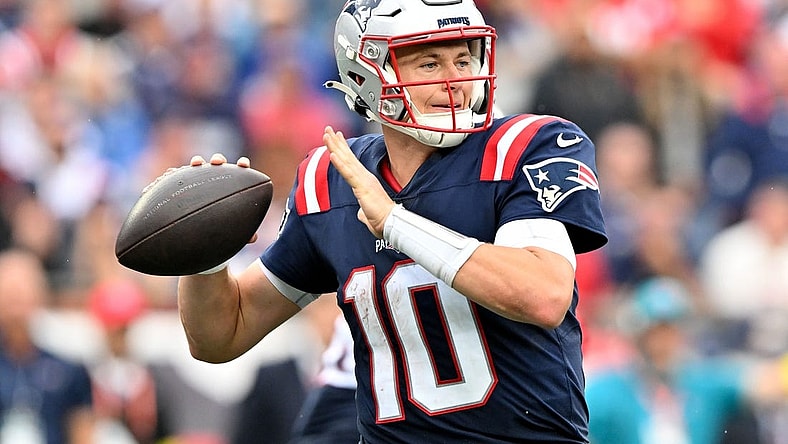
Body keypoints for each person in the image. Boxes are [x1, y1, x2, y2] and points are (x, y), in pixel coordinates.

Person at [175, 0, 607, 442]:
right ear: (367, 76)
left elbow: (543, 295)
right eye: (428, 62)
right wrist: (203, 256)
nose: (455, 80)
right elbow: (221, 336)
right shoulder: (332, 180)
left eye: (463, 58)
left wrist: (396, 223)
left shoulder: (528, 146)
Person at [0, 249, 94, 444]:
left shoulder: (68, 370)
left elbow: (82, 432)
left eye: (21, 292)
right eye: (9, 294)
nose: (15, 303)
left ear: (39, 295)